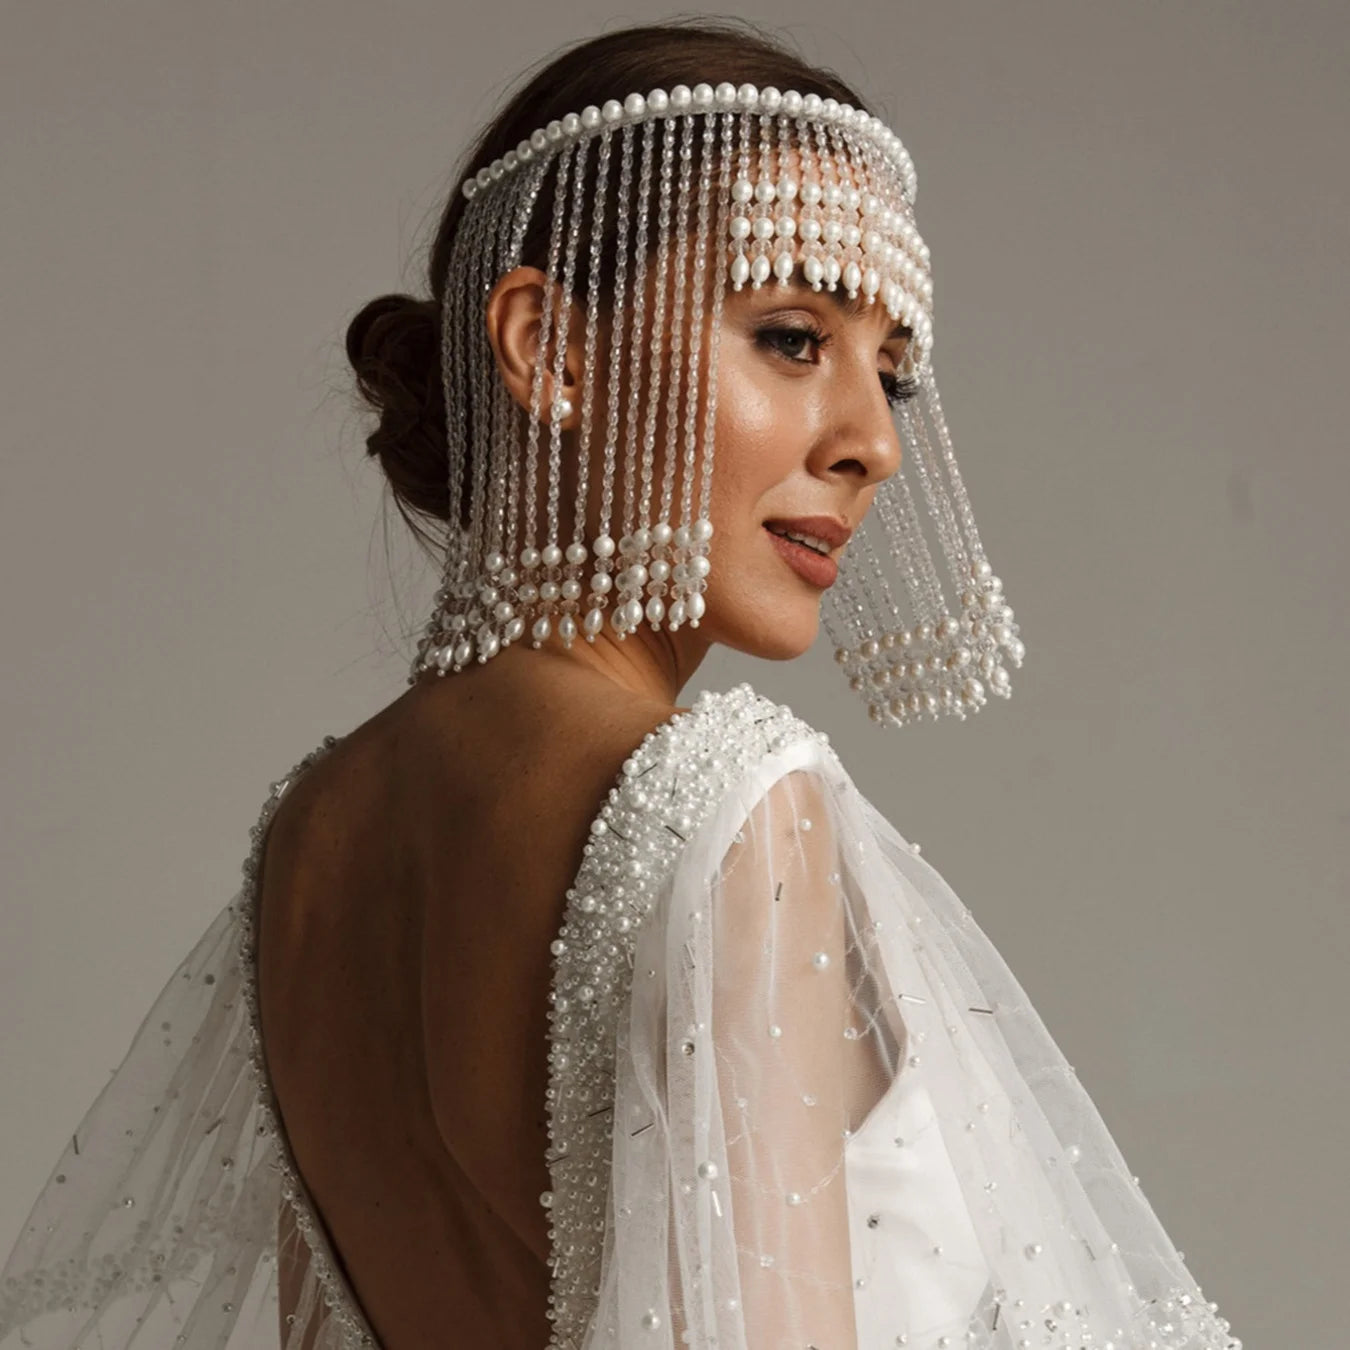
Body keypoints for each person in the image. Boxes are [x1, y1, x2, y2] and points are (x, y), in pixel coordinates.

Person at [0, 19, 1243, 1350]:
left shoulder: (308, 837)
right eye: (787, 335)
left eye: (890, 372)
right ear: (548, 348)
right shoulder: (729, 810)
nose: (872, 441)